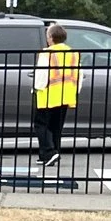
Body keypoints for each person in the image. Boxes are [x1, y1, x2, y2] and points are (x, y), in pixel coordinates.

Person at [34, 20, 79, 168]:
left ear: (51, 38)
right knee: (56, 127)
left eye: (48, 35)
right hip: (66, 95)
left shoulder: (47, 53)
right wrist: (75, 91)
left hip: (48, 94)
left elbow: (42, 75)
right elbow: (78, 75)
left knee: (41, 124)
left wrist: (36, 88)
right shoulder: (73, 53)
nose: (47, 38)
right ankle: (50, 154)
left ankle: (49, 152)